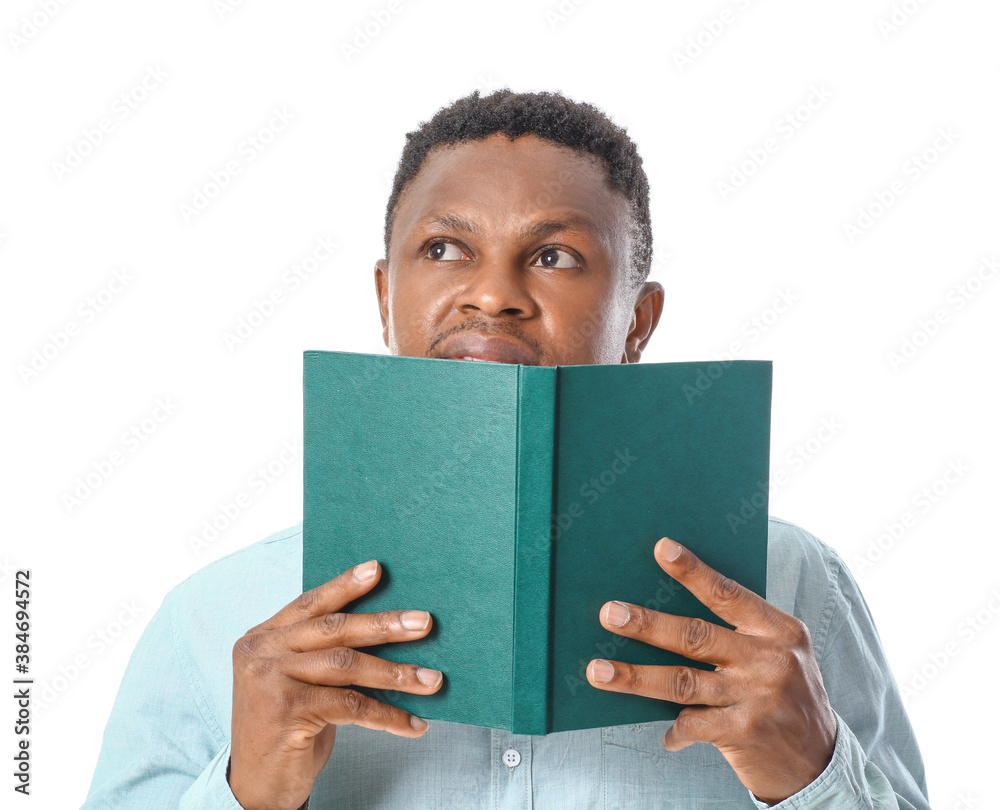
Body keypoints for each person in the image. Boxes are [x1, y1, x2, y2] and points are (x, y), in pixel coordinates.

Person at [83, 89, 930, 809]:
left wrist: (815, 780)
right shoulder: (215, 615)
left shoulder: (790, 592)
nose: (492, 294)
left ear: (637, 321)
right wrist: (248, 788)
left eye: (555, 255)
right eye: (445, 249)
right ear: (386, 298)